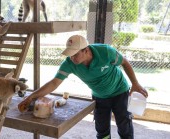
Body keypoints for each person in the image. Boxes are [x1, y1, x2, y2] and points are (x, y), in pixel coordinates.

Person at [18, 35, 148, 139]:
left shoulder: (106, 52)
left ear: (86, 50)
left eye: (75, 54)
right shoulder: (70, 63)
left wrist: (135, 83)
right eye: (70, 54)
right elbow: (54, 83)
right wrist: (32, 96)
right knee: (102, 130)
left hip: (120, 91)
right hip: (99, 96)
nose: (72, 57)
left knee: (124, 126)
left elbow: (124, 62)